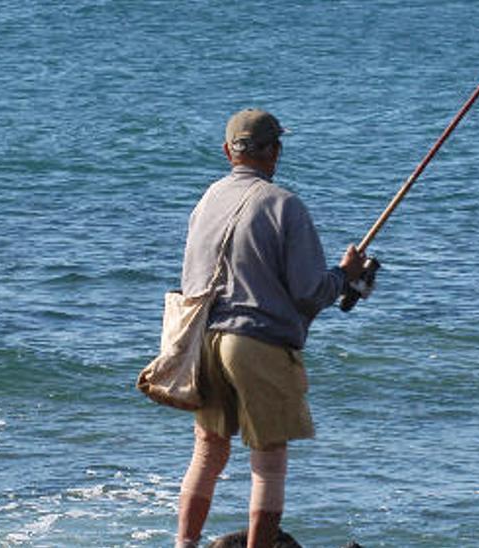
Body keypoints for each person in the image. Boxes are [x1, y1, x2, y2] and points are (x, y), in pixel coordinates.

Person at [174, 108, 367, 548]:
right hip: (255, 344)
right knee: (270, 461)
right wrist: (345, 274)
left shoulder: (206, 201)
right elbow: (309, 290)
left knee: (208, 453)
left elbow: (192, 277)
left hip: (203, 341)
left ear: (228, 151)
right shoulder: (284, 205)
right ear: (275, 152)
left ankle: (184, 544)